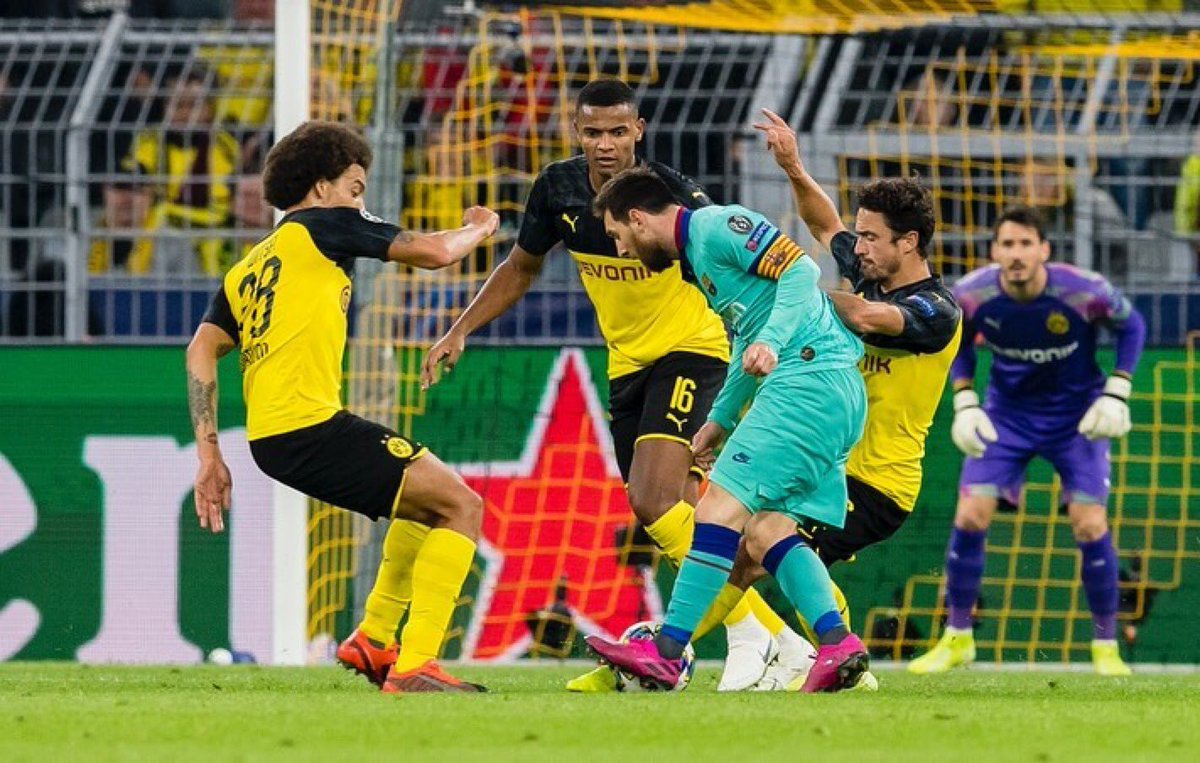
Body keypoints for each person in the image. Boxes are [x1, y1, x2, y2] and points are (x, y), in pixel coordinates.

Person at [336, 78, 814, 694]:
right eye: (593, 132)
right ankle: (781, 640)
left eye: (617, 131)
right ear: (576, 132)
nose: (605, 144)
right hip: (626, 367)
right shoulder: (557, 190)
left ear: (639, 130)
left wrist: (765, 340)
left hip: (692, 354)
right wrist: (460, 329)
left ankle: (757, 635)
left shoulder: (671, 197)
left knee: (652, 499)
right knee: (684, 514)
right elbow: (521, 266)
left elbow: (744, 264)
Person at [185, 121, 500, 693]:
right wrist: (479, 228)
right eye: (355, 188)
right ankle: (416, 665)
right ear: (321, 188)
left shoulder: (252, 264)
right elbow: (435, 252)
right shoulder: (324, 224)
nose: (360, 202)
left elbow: (201, 349)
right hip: (309, 427)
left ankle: (375, 639)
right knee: (462, 506)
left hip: (274, 436)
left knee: (426, 506)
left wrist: (209, 455)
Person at [684, 110, 962, 691]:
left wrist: (787, 296)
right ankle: (678, 650)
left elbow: (866, 316)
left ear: (909, 242)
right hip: (824, 457)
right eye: (861, 235)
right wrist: (793, 167)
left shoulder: (938, 311)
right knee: (742, 551)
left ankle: (812, 653)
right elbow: (824, 223)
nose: (858, 246)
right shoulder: (867, 267)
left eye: (872, 237)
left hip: (877, 481)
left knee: (762, 538)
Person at [585, 166, 870, 694]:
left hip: (805, 381)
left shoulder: (718, 226)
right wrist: (718, 421)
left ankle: (666, 654)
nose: (621, 250)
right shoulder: (696, 261)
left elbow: (802, 270)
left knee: (716, 509)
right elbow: (745, 342)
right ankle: (837, 644)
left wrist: (773, 342)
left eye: (618, 235)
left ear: (638, 219)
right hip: (831, 392)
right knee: (767, 531)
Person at [907, 205, 1147, 677]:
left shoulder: (1082, 290)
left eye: (1025, 244)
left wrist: (1118, 389)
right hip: (1007, 419)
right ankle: (957, 639)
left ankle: (1106, 648)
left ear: (1044, 250)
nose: (1016, 253)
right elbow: (956, 340)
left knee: (1089, 524)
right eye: (1007, 244)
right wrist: (965, 400)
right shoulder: (972, 294)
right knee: (970, 515)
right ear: (995, 251)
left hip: (1077, 420)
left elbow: (1133, 325)